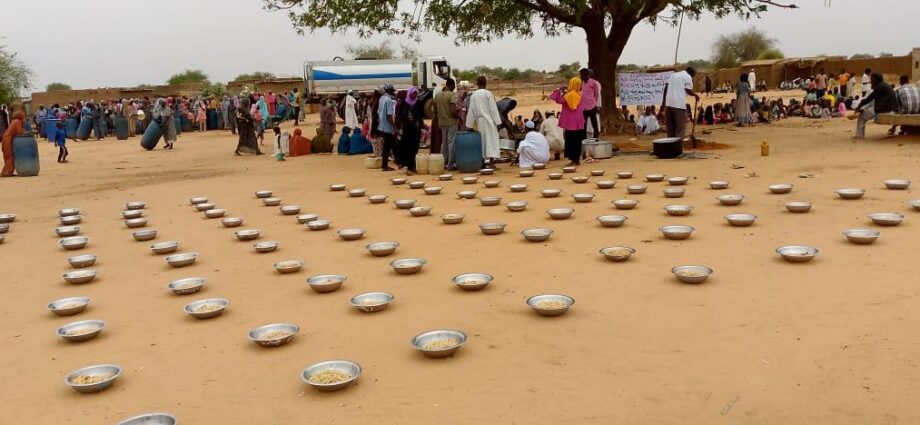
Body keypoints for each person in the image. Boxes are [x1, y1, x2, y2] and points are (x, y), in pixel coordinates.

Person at [465, 76, 503, 166]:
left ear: (477, 84)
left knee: (482, 141)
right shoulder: (488, 94)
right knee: (491, 140)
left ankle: (482, 163)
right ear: (485, 83)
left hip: (480, 121)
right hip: (489, 120)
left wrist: (469, 125)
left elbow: (471, 110)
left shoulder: (474, 95)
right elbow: (493, 109)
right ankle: (491, 163)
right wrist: (498, 122)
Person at [549, 77, 586, 166]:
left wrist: (558, 90)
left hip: (570, 122)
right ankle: (576, 160)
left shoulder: (570, 95)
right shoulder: (580, 94)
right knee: (577, 141)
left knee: (571, 141)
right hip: (579, 120)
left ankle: (573, 160)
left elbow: (555, 99)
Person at [853, 72, 897, 140]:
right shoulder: (884, 85)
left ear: (875, 79)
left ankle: (860, 135)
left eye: (872, 79)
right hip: (889, 107)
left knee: (861, 117)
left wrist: (859, 106)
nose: (871, 81)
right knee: (867, 107)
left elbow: (869, 98)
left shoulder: (879, 87)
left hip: (883, 109)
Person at [661, 67, 699, 137]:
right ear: (691, 74)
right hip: (679, 106)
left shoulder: (673, 75)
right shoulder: (687, 77)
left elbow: (666, 88)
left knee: (670, 130)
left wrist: (664, 102)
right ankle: (678, 146)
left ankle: (670, 146)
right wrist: (695, 95)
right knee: (680, 129)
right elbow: (688, 90)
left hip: (668, 105)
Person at [396, 86, 422, 174]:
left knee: (414, 148)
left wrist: (418, 122)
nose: (414, 95)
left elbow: (420, 115)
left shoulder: (418, 103)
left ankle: (412, 167)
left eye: (416, 94)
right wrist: (406, 120)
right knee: (407, 147)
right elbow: (399, 115)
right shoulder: (404, 103)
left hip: (415, 130)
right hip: (407, 129)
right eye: (413, 93)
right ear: (409, 94)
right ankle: (409, 167)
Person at [434, 78, 459, 170]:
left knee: (444, 143)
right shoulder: (452, 95)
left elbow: (435, 110)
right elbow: (453, 109)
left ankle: (443, 163)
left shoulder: (437, 95)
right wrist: (458, 117)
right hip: (451, 122)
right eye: (454, 86)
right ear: (451, 85)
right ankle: (451, 164)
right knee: (451, 142)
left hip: (442, 122)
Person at [377, 84, 398, 171]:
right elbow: (389, 115)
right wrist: (394, 126)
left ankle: (398, 162)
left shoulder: (381, 98)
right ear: (389, 91)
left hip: (382, 125)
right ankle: (385, 166)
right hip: (388, 126)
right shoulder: (389, 101)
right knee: (389, 146)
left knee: (391, 145)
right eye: (392, 91)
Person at [1, 111, 25, 176]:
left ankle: (8, 171)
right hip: (8, 139)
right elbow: (19, 132)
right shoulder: (17, 121)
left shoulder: (14, 121)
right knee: (10, 156)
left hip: (5, 138)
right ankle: (6, 172)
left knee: (7, 156)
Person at [580, 68, 601, 139]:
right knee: (583, 125)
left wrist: (595, 104)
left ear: (587, 75)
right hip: (583, 108)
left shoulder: (594, 83)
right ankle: (584, 139)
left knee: (594, 124)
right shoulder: (582, 83)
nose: (581, 76)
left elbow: (597, 94)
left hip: (592, 107)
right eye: (580, 75)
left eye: (582, 75)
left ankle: (596, 138)